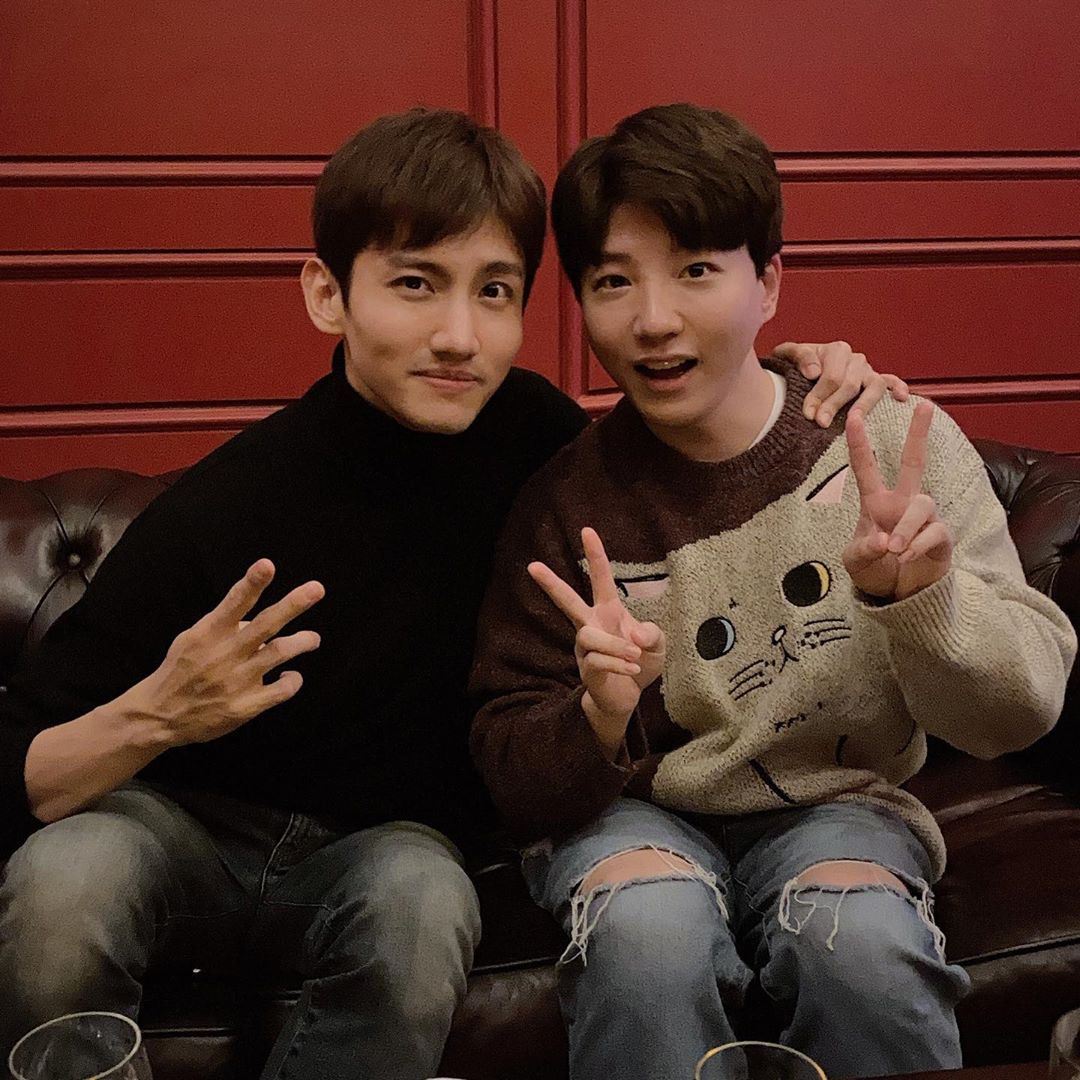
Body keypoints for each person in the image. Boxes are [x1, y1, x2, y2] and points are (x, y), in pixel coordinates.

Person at [0, 107, 901, 1079]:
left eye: (495, 291)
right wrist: (157, 714)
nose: (459, 336)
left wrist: (805, 375)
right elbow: (19, 755)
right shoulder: (231, 503)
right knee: (67, 879)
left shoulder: (544, 452)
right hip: (183, 830)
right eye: (415, 284)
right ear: (327, 294)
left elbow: (693, 446)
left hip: (385, 851)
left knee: (422, 903)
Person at [469, 103, 1078, 1080]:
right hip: (635, 819)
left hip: (839, 805)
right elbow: (511, 765)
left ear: (770, 283)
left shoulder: (885, 443)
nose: (653, 318)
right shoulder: (562, 505)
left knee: (860, 946)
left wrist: (923, 600)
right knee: (646, 938)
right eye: (614, 281)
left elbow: (1023, 710)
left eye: (696, 270)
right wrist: (596, 716)